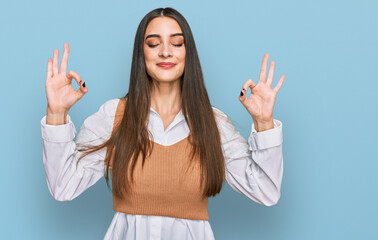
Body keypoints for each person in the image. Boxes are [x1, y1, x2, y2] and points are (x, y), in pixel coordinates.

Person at [41, 7, 285, 240]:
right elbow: (63, 186)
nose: (165, 52)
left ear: (188, 52)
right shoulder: (114, 116)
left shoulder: (214, 124)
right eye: (153, 43)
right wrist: (56, 114)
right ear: (141, 53)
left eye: (177, 43)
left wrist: (264, 123)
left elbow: (266, 191)